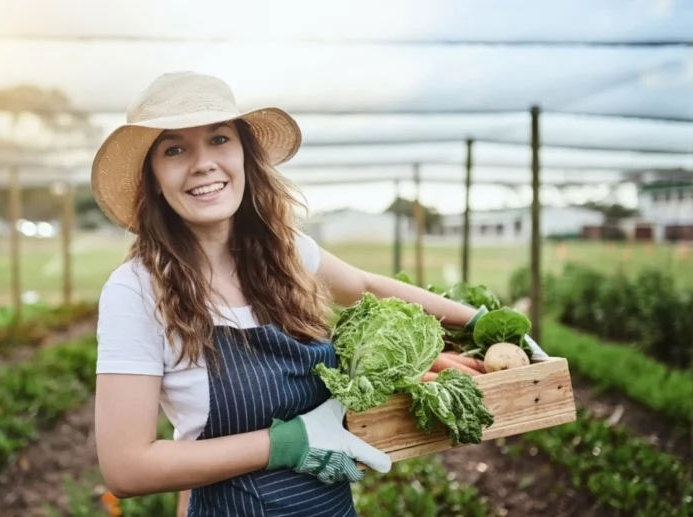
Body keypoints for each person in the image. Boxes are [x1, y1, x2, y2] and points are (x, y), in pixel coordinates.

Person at [91, 71, 548, 517]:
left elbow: (367, 286)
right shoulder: (136, 291)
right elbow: (127, 467)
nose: (204, 162)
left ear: (245, 154)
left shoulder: (283, 254)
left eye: (219, 139)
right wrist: (288, 443)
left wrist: (478, 322)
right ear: (153, 178)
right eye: (174, 149)